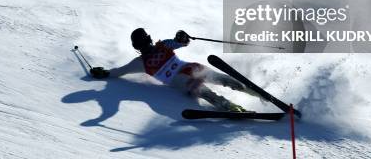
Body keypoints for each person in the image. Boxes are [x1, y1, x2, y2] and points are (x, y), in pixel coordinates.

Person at [89, 28, 250, 112]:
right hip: (180, 80)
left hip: (189, 68)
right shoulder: (140, 63)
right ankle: (231, 107)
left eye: (146, 42)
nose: (146, 47)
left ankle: (247, 89)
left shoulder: (163, 45)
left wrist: (182, 37)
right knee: (203, 90)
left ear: (149, 40)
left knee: (220, 78)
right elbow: (119, 71)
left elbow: (180, 42)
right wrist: (105, 73)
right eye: (142, 45)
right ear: (138, 47)